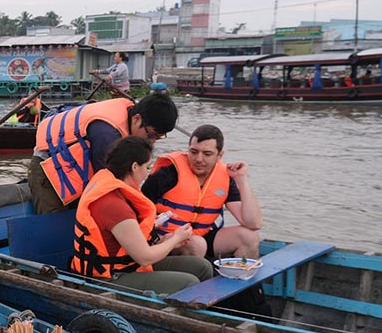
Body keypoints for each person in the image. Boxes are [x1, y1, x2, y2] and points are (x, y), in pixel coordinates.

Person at [72, 137, 212, 294]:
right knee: (189, 283)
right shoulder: (114, 205)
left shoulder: (115, 187)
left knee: (202, 267)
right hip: (108, 278)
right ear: (134, 167)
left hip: (127, 265)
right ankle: (169, 317)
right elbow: (144, 258)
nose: (147, 173)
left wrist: (164, 240)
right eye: (147, 167)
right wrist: (175, 240)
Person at [28, 92, 179, 214]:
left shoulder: (129, 114)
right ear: (137, 119)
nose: (151, 142)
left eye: (158, 138)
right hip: (48, 167)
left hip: (75, 166)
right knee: (52, 227)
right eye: (151, 135)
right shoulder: (107, 135)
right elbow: (108, 182)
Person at [142, 124, 262, 259]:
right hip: (167, 238)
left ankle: (241, 277)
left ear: (219, 155)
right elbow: (138, 211)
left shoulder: (225, 177)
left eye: (207, 154)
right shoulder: (167, 174)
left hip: (203, 235)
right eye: (193, 152)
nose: (199, 159)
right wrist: (156, 239)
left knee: (249, 237)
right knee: (197, 244)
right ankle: (191, 279)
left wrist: (241, 179)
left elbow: (253, 223)